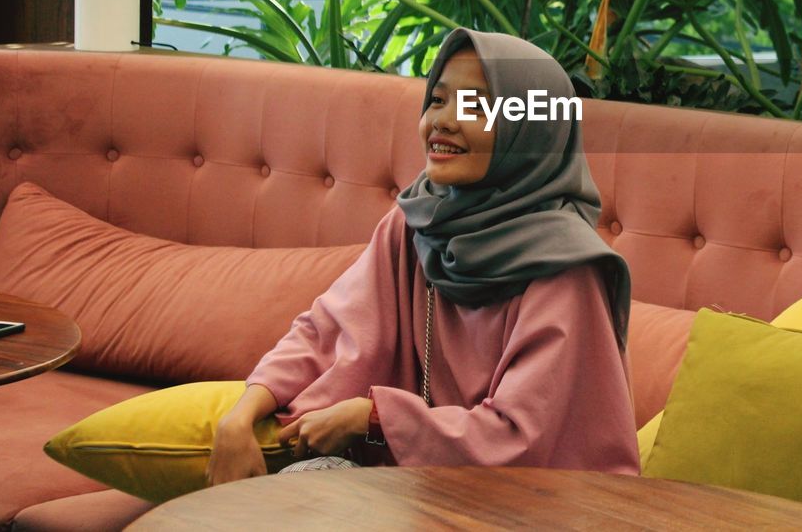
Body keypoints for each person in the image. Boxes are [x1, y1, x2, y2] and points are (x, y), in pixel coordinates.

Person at [205, 27, 640, 484]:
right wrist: (241, 415)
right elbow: (324, 332)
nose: (443, 122)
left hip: (534, 507)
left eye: (475, 106)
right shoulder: (417, 225)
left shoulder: (567, 268)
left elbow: (522, 441)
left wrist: (373, 418)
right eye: (438, 100)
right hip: (418, 482)